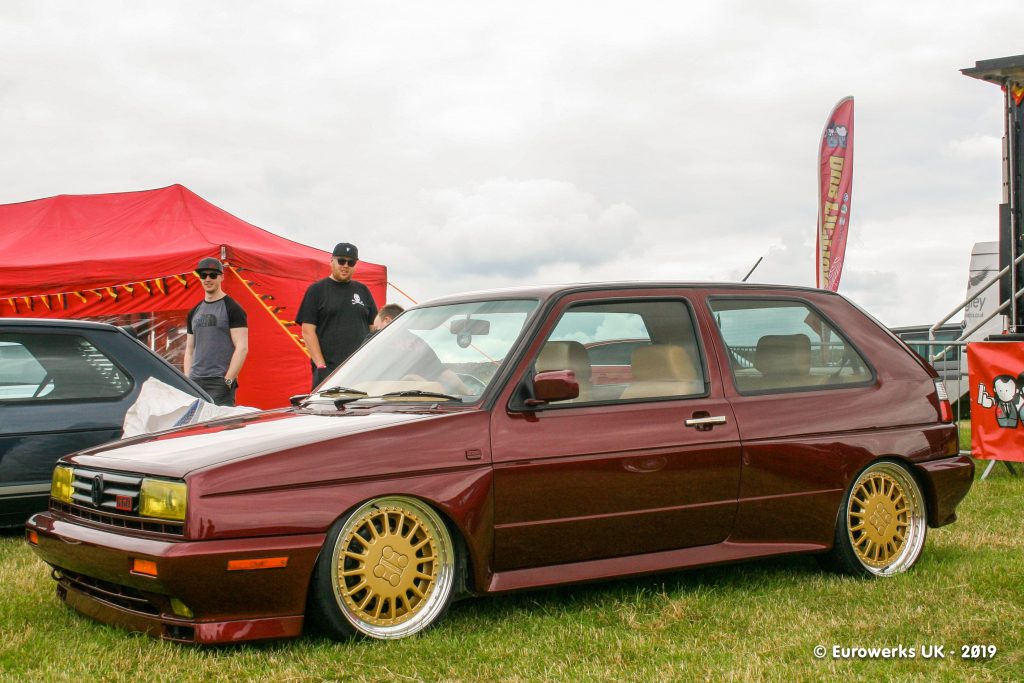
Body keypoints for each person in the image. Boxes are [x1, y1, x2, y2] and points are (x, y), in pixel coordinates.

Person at [296, 242, 378, 389]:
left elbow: (374, 329)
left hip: (360, 371)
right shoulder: (317, 290)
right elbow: (307, 331)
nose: (345, 265)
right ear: (332, 260)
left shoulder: (363, 290)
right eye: (341, 261)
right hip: (328, 371)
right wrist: (321, 366)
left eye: (351, 262)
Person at [183, 257, 249, 406]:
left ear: (221, 277)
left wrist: (228, 380)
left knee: (220, 428)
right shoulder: (194, 311)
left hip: (219, 382)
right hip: (196, 383)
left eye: (213, 275)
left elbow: (242, 347)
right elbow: (189, 349)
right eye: (203, 275)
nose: (208, 279)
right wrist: (188, 380)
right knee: (196, 428)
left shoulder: (233, 308)